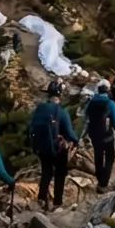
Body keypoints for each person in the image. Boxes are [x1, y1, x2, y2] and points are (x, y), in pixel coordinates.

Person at [26, 81, 78, 210]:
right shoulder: (61, 112)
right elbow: (69, 132)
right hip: (57, 148)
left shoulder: (39, 109)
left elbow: (30, 127)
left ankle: (42, 198)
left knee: (46, 172)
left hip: (42, 148)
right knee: (60, 174)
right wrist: (75, 140)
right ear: (59, 95)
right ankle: (57, 202)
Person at [82, 80, 115, 189]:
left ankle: (99, 178)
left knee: (98, 156)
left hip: (94, 134)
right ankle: (103, 182)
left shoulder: (91, 101)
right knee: (110, 157)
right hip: (107, 135)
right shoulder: (110, 103)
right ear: (108, 90)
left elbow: (85, 116)